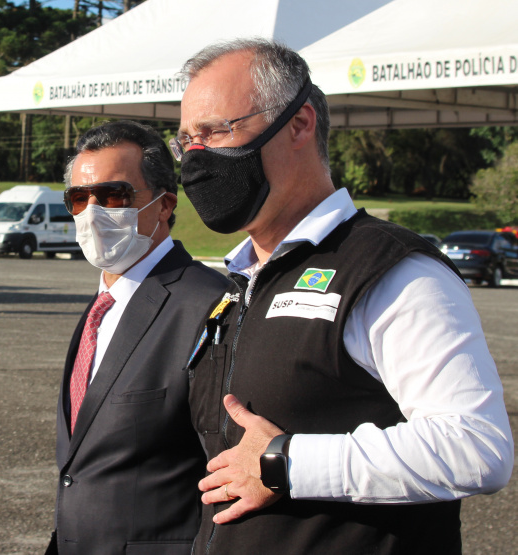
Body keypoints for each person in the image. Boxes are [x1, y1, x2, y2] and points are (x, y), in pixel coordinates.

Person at [174, 38, 514, 553]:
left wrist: (285, 462)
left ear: (299, 123)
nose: (197, 158)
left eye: (218, 130)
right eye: (186, 141)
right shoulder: (241, 281)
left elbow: (476, 448)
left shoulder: (391, 270)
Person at [46, 120, 231, 555]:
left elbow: (224, 461)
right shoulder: (100, 307)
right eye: (78, 198)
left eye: (114, 195)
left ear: (164, 205)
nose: (92, 212)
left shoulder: (208, 303)